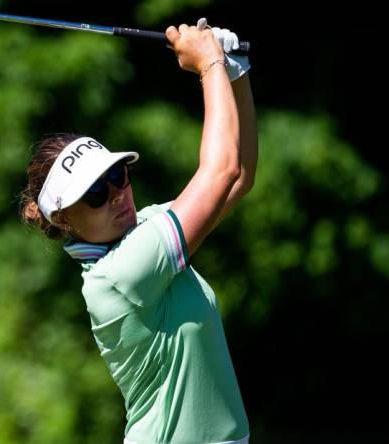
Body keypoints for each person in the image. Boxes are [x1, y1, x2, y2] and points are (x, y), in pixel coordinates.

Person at [18, 18, 257, 444]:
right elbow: (221, 171)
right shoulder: (119, 274)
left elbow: (237, 181)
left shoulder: (144, 226)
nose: (115, 193)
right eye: (94, 193)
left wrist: (233, 73)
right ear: (65, 221)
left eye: (117, 175)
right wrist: (209, 66)